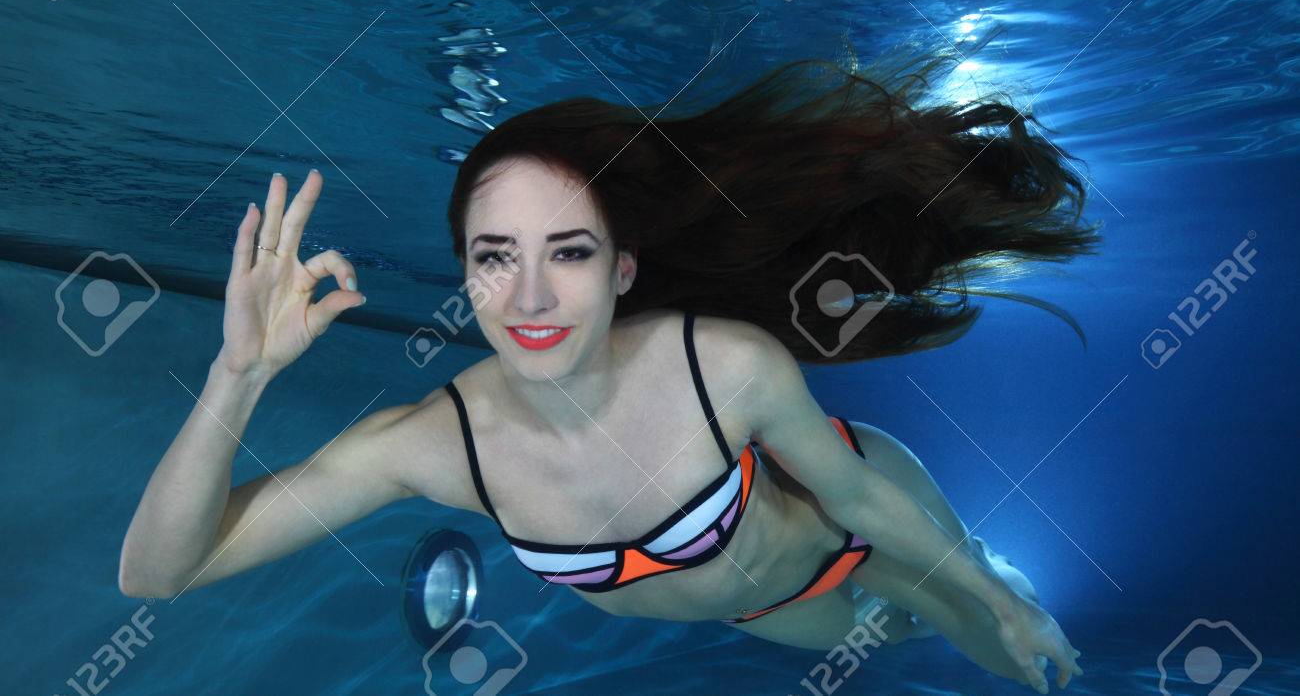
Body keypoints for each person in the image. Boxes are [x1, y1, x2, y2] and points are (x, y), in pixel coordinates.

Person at [119, 58, 1091, 693]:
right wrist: (237, 374)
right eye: (496, 254)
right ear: (466, 272)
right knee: (888, 643)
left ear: (621, 268)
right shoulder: (432, 444)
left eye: (568, 252)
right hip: (770, 609)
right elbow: (160, 572)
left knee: (982, 631)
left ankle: (994, 565)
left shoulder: (724, 365)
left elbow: (856, 493)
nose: (532, 293)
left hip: (849, 508)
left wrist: (990, 596)